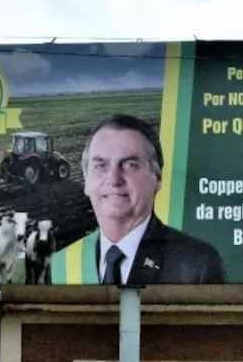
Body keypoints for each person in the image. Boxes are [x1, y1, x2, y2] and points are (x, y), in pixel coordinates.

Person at [82, 114, 225, 285]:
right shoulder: (60, 266)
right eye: (100, 166)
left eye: (130, 165)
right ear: (86, 180)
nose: (113, 179)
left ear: (157, 179)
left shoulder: (196, 264)